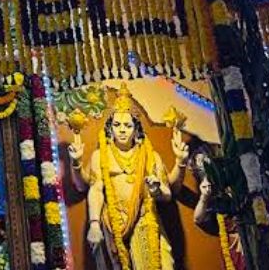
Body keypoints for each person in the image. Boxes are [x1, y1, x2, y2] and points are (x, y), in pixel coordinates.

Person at [68, 92, 189, 270]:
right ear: (110, 128)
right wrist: (94, 224)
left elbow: (169, 193)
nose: (122, 130)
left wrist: (160, 187)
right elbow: (93, 188)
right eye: (117, 125)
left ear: (136, 128)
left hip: (145, 220)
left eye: (128, 125)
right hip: (114, 223)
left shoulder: (150, 155)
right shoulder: (100, 156)